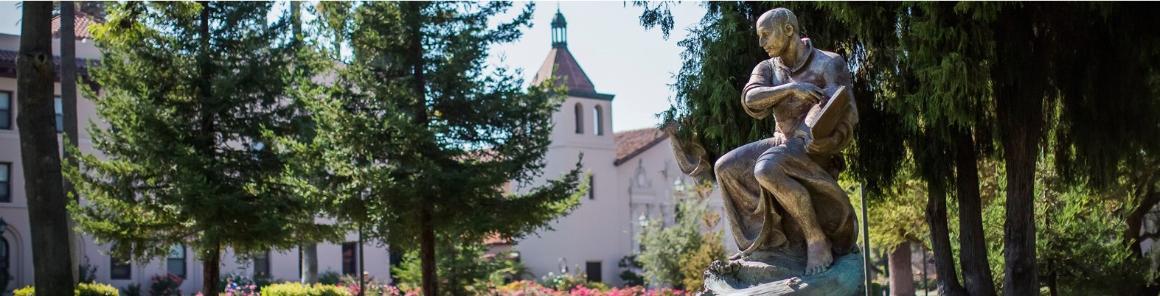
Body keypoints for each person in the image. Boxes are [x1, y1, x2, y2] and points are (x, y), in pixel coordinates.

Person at [711, 7, 859, 275]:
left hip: (815, 147)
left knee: (766, 168)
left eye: (766, 35)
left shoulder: (828, 62)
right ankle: (763, 243)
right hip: (782, 143)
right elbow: (750, 98)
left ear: (788, 29)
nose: (761, 43)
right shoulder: (767, 67)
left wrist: (831, 142)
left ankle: (817, 239)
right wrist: (791, 88)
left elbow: (848, 114)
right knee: (725, 168)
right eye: (760, 37)